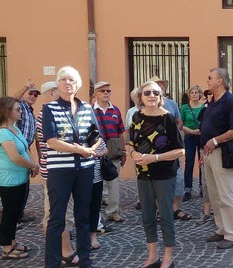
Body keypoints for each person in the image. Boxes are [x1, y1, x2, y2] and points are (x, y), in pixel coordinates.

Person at [41, 66, 101, 268]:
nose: (68, 83)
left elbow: (96, 136)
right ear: (58, 84)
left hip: (85, 169)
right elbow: (51, 141)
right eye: (64, 79)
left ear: (78, 85)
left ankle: (85, 260)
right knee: (56, 219)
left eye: (72, 80)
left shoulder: (86, 107)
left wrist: (91, 149)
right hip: (60, 171)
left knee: (83, 216)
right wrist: (79, 149)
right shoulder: (49, 108)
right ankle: (52, 263)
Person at [126, 81, 185, 268]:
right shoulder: (136, 116)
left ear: (160, 97)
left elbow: (180, 151)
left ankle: (168, 258)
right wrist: (133, 153)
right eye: (147, 92)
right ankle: (153, 255)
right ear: (140, 97)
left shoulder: (167, 118)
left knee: (166, 215)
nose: (151, 95)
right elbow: (130, 143)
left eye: (155, 92)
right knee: (147, 215)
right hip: (143, 173)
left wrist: (155, 157)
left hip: (164, 173)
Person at [36, 81, 81, 265]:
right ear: (51, 92)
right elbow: (53, 143)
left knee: (61, 212)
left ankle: (61, 250)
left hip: (59, 169)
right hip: (57, 171)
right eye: (59, 90)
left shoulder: (50, 112)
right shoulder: (47, 113)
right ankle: (63, 251)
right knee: (59, 214)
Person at [200, 68, 233, 249]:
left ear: (221, 81)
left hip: (222, 152)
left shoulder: (230, 101)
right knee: (214, 194)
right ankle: (221, 229)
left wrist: (215, 141)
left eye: (211, 78)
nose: (207, 80)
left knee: (226, 194)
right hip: (209, 153)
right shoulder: (212, 101)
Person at [0, 97, 38, 260]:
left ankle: (12, 241)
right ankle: (6, 247)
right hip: (9, 180)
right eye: (18, 109)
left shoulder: (15, 129)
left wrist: (33, 164)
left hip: (21, 178)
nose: (21, 111)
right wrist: (32, 166)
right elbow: (15, 157)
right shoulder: (3, 133)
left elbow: (25, 148)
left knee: (15, 213)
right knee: (9, 214)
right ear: (7, 112)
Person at [150, 76, 192, 221]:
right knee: (158, 180)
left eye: (162, 85)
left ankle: (174, 209)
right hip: (154, 150)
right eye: (157, 85)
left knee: (178, 179)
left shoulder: (172, 104)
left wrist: (174, 131)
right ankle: (161, 211)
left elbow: (179, 122)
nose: (160, 87)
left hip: (172, 148)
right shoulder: (147, 105)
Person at [92, 81, 126, 223]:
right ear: (95, 94)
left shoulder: (115, 110)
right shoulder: (89, 111)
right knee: (95, 185)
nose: (106, 93)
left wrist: (123, 151)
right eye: (102, 91)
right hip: (95, 154)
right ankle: (94, 215)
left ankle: (113, 211)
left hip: (113, 152)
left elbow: (121, 133)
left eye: (108, 90)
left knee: (113, 183)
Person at [12, 80, 40, 224]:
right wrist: (25, 87)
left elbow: (35, 137)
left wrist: (37, 160)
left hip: (25, 149)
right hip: (15, 149)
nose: (33, 96)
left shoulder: (31, 112)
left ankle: (19, 213)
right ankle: (13, 217)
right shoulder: (19, 106)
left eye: (36, 94)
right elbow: (11, 100)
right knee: (16, 186)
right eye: (31, 93)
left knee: (24, 185)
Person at [180, 85, 205, 201]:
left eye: (196, 92)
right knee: (189, 163)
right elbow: (180, 123)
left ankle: (202, 188)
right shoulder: (185, 107)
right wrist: (190, 131)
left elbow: (207, 122)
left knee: (202, 163)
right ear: (189, 95)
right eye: (192, 93)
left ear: (200, 94)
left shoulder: (204, 107)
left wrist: (200, 131)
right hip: (189, 136)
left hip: (201, 137)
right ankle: (188, 190)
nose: (194, 94)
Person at [195, 89, 214, 226]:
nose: (211, 96)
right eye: (209, 94)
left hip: (219, 148)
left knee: (218, 184)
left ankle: (218, 212)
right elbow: (202, 130)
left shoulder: (224, 108)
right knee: (206, 182)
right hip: (204, 149)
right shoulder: (203, 111)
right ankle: (207, 212)